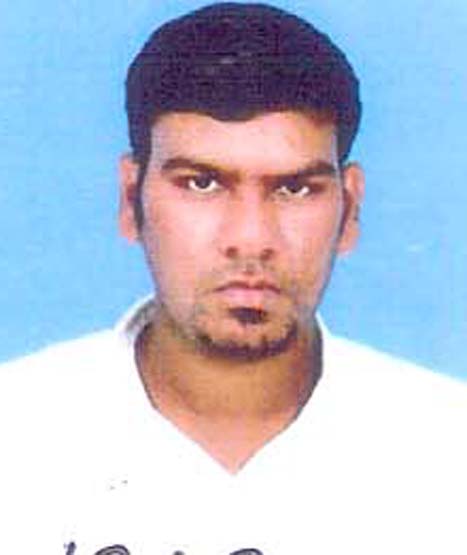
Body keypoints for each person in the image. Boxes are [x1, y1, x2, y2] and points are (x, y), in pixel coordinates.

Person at [1, 3, 465, 554]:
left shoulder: (448, 452)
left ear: (350, 209)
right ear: (130, 200)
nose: (250, 238)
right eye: (202, 183)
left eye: (295, 189)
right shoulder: (16, 438)